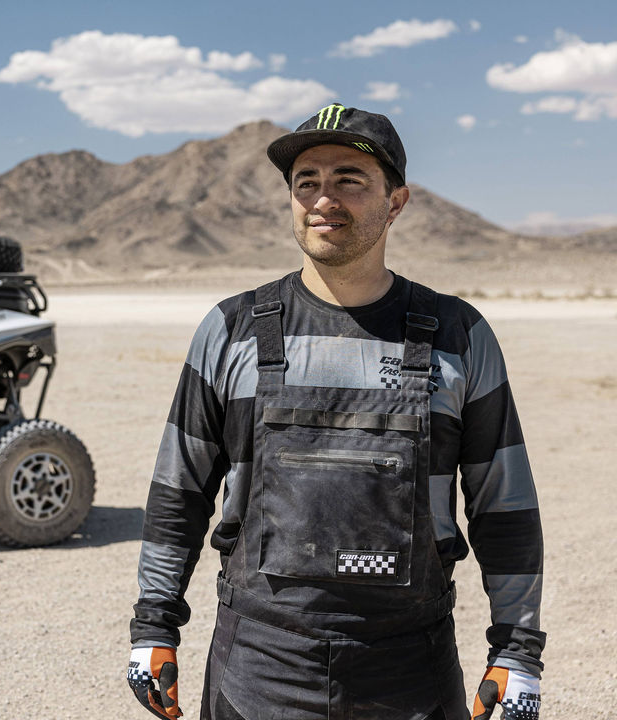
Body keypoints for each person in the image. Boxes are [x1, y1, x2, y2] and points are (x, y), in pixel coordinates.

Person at [126, 104, 545, 720]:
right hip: (258, 667)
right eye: (307, 182)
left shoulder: (459, 334)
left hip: (410, 670)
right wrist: (153, 628)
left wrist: (518, 652)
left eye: (349, 178)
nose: (324, 199)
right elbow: (178, 492)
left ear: (396, 201)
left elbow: (503, 506)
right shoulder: (231, 330)